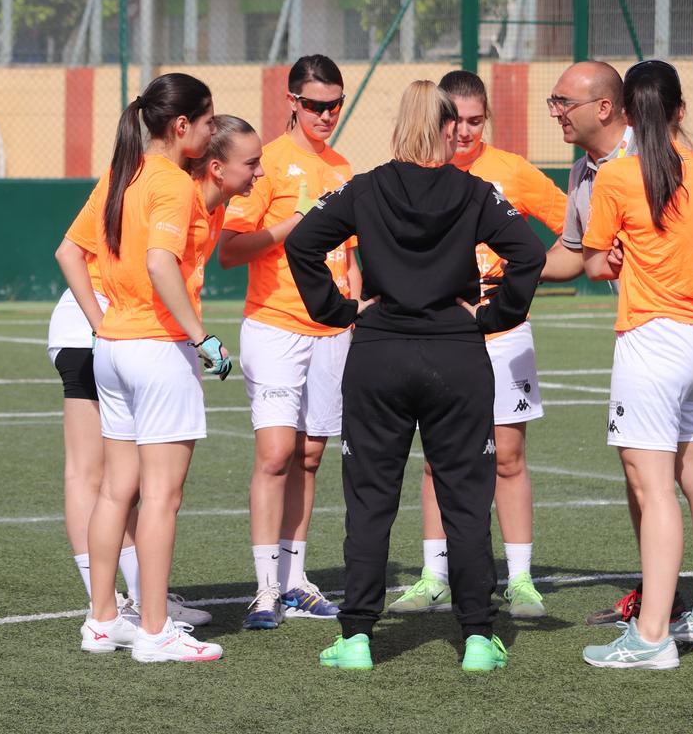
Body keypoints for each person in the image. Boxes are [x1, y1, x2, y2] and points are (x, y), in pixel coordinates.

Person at [286, 80, 546, 672]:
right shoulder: (475, 191)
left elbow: (303, 243)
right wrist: (494, 315)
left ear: (400, 124)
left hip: (379, 357)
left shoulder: (365, 187)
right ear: (448, 126)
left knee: (371, 500)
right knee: (466, 497)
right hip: (456, 357)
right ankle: (478, 638)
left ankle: (356, 638)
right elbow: (529, 254)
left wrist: (339, 311)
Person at [541, 61, 693, 634]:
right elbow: (576, 254)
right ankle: (689, 601)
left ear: (607, 107)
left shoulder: (656, 148)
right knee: (653, 471)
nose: (555, 110)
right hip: (675, 329)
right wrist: (515, 271)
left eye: (564, 100)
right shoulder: (585, 174)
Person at [57, 73, 230, 662]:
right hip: (156, 349)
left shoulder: (121, 174)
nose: (212, 132)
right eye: (208, 122)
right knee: (160, 496)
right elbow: (161, 265)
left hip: (114, 349)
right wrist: (202, 338)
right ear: (181, 126)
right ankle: (154, 631)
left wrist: (101, 320)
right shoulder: (172, 183)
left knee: (116, 491)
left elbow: (67, 252)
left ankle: (102, 620)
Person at [387, 70, 565, 619]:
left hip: (505, 333)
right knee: (437, 459)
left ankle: (520, 579)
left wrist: (517, 280)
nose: (464, 132)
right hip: (439, 336)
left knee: (508, 456)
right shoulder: (417, 173)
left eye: (475, 120)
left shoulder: (511, 171)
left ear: (486, 119)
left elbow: (577, 233)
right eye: (455, 120)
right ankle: (434, 576)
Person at [579, 59, 693, 669]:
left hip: (652, 339)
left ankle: (650, 638)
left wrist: (614, 257)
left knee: (654, 486)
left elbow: (595, 263)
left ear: (624, 113)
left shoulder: (616, 177)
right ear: (679, 110)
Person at [218, 55, 360, 629]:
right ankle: (264, 588)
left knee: (310, 455)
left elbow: (351, 255)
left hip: (333, 331)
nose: (327, 115)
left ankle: (296, 580)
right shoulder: (266, 164)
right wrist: (286, 227)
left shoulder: (346, 167)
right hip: (275, 324)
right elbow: (230, 249)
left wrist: (356, 308)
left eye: (336, 104)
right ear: (293, 102)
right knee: (276, 454)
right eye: (317, 105)